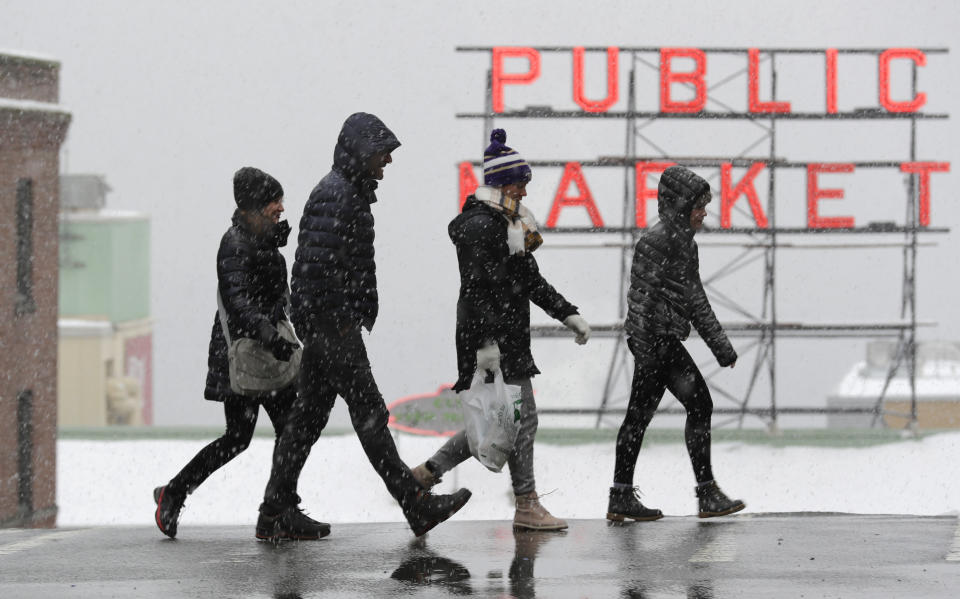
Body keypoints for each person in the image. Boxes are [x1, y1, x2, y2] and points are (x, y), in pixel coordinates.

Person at [257, 112, 471, 540]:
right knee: (369, 415)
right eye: (382, 153)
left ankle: (274, 512)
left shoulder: (343, 192)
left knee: (305, 421)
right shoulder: (337, 195)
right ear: (359, 151)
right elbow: (314, 270)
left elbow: (320, 267)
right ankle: (415, 504)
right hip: (334, 328)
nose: (387, 162)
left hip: (328, 327)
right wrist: (333, 325)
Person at [411, 129, 591, 531]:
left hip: (505, 337)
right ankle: (526, 505)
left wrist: (567, 313)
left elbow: (529, 280)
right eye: (521, 183)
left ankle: (424, 474)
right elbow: (477, 291)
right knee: (520, 420)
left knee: (496, 424)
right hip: (491, 340)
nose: (525, 192)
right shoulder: (481, 227)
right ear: (502, 183)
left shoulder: (509, 227)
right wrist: (487, 344)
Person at [154, 166, 303, 539]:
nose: (280, 208)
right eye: (273, 201)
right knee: (241, 436)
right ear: (252, 207)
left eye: (280, 200)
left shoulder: (264, 242)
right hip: (243, 354)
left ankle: (282, 511)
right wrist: (269, 334)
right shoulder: (235, 243)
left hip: (269, 352)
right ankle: (174, 494)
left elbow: (277, 298)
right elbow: (238, 301)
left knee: (288, 431)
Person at [608, 165, 745, 522]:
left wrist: (721, 347)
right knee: (699, 404)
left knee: (638, 418)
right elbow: (640, 298)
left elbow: (695, 298)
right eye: (699, 206)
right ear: (681, 206)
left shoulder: (684, 244)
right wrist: (642, 346)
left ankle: (621, 495)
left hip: (659, 341)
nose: (704, 213)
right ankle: (706, 492)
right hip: (657, 341)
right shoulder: (658, 241)